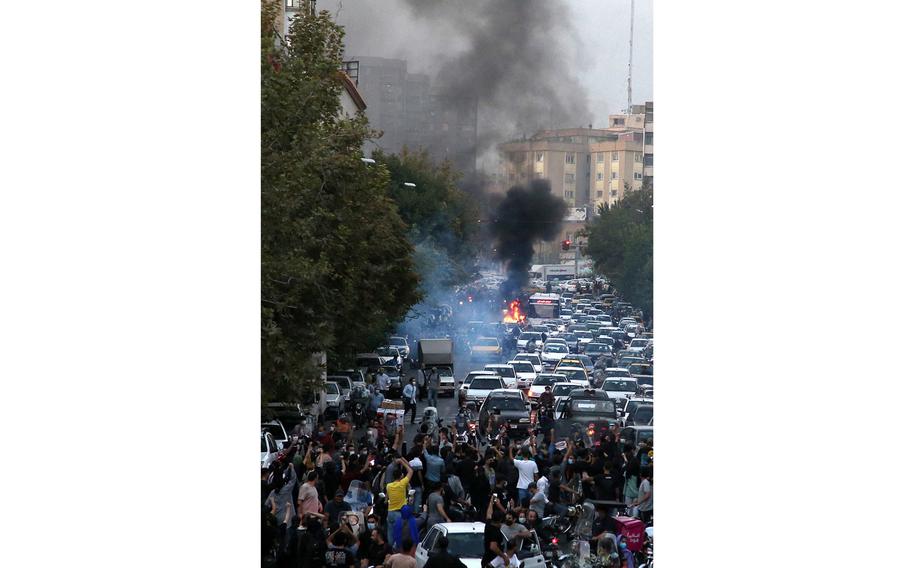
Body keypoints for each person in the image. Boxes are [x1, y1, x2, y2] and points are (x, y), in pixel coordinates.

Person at [385, 457, 413, 544]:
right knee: (399, 534)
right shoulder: (402, 483)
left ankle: (390, 549)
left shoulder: (389, 486)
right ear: (401, 476)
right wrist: (402, 462)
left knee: (390, 532)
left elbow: (387, 498)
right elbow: (411, 471)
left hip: (390, 513)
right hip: (399, 513)